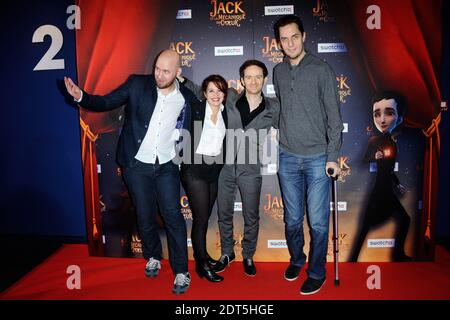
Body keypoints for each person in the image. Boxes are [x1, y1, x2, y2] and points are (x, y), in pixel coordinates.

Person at [64, 49, 198, 295]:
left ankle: (181, 271)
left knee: (173, 216)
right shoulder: (137, 84)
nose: (159, 74)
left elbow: (194, 126)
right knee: (145, 215)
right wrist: (81, 96)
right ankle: (153, 256)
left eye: (166, 71)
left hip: (167, 165)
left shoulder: (186, 97)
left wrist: (184, 160)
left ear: (178, 72)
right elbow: (106, 102)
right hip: (136, 165)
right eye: (157, 68)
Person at [181, 60, 279, 277]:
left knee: (251, 215)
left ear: (264, 79)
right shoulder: (231, 96)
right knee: (224, 213)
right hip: (224, 167)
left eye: (258, 77)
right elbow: (203, 91)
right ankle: (227, 253)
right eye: (249, 77)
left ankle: (249, 255)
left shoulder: (273, 107)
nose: (253, 81)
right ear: (242, 80)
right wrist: (181, 79)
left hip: (251, 168)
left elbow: (288, 127)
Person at [272, 15, 343, 295]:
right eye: (284, 39)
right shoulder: (277, 71)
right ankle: (297, 260)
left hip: (317, 158)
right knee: (291, 220)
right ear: (278, 42)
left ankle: (316, 272)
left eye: (294, 37)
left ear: (304, 37)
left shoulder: (321, 69)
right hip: (287, 157)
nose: (289, 43)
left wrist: (332, 156)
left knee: (317, 222)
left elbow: (335, 119)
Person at [349, 91, 411, 262]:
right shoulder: (374, 141)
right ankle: (353, 259)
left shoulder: (392, 141)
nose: (382, 119)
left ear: (399, 118)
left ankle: (398, 254)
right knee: (365, 227)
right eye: (377, 114)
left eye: (389, 113)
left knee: (405, 220)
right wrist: (373, 157)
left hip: (388, 191)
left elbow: (389, 170)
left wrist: (397, 183)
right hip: (379, 191)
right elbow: (363, 160)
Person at [180, 75, 228, 283]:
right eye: (211, 91)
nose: (215, 95)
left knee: (205, 217)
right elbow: (187, 88)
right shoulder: (197, 108)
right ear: (204, 93)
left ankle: (203, 255)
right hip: (194, 170)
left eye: (219, 90)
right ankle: (201, 265)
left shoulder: (228, 111)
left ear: (225, 93)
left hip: (214, 171)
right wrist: (178, 75)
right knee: (200, 219)